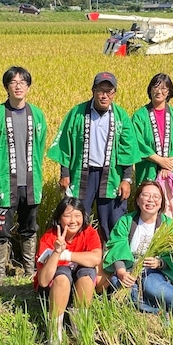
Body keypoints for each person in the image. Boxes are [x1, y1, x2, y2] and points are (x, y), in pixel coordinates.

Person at [48, 72, 140, 242]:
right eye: (100, 90)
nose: (104, 95)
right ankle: (74, 259)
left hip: (112, 176)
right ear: (93, 90)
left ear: (114, 93)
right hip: (82, 174)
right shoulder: (77, 113)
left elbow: (128, 149)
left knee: (112, 221)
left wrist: (127, 179)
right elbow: (65, 144)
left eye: (109, 91)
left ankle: (112, 262)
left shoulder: (121, 117)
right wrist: (65, 173)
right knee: (76, 217)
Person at [0, 66, 47, 286]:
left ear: (28, 86)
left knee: (30, 228)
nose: (18, 86)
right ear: (6, 86)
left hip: (30, 182)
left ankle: (29, 269)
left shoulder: (37, 115)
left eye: (23, 82)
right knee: (0, 230)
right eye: (13, 81)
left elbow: (40, 145)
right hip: (2, 183)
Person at [102, 181, 173, 321]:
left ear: (161, 202)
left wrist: (160, 263)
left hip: (154, 272)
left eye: (156, 197)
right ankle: (157, 311)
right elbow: (116, 246)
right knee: (121, 285)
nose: (150, 200)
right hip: (129, 271)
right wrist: (121, 271)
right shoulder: (126, 221)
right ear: (137, 199)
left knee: (150, 284)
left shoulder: (169, 225)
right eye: (145, 195)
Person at [35, 197, 102, 345]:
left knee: (87, 273)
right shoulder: (49, 237)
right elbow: (44, 281)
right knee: (62, 276)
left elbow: (95, 258)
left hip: (78, 290)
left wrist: (66, 255)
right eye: (67, 215)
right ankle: (54, 334)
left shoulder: (89, 233)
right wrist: (57, 252)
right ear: (59, 218)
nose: (73, 220)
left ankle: (79, 324)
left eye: (77, 215)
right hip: (54, 290)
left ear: (83, 216)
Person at [132, 73, 173, 224]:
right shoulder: (139, 116)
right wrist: (159, 161)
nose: (159, 91)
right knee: (149, 209)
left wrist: (169, 163)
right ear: (149, 90)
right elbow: (136, 142)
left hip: (172, 171)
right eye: (155, 87)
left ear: (170, 92)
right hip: (149, 170)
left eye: (164, 88)